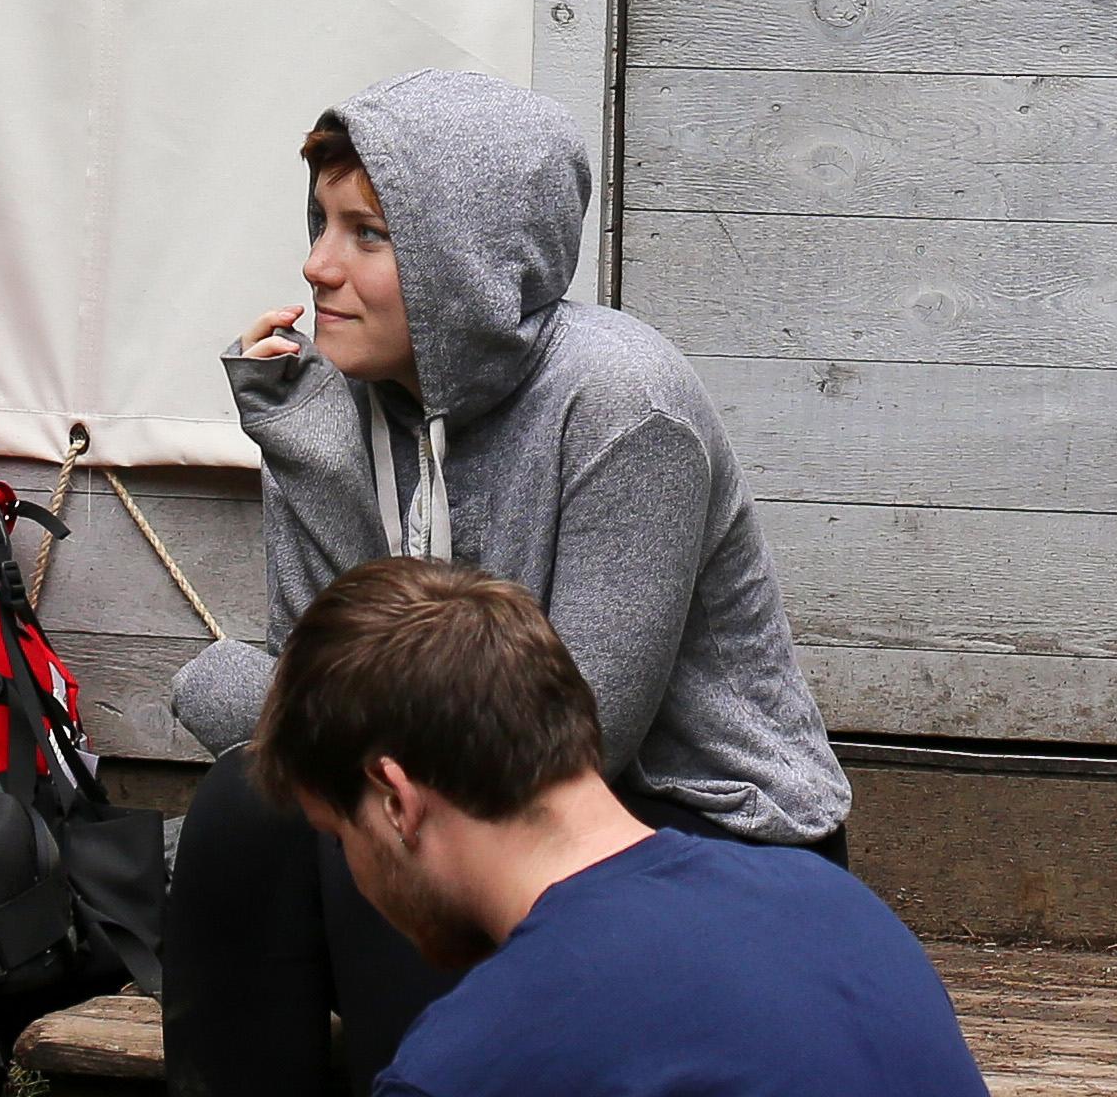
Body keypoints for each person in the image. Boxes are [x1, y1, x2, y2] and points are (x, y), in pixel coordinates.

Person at [161, 72, 844, 1096]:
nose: (316, 267)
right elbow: (313, 691)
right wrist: (303, 447)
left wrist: (248, 694)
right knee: (244, 812)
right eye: (319, 225)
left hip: (698, 827)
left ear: (464, 258)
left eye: (367, 235)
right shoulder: (349, 400)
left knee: (405, 812)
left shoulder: (623, 403)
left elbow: (565, 749)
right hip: (478, 789)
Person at [257, 559, 985, 1097]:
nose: (349, 868)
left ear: (395, 799)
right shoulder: (838, 908)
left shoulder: (469, 1067)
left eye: (338, 834)